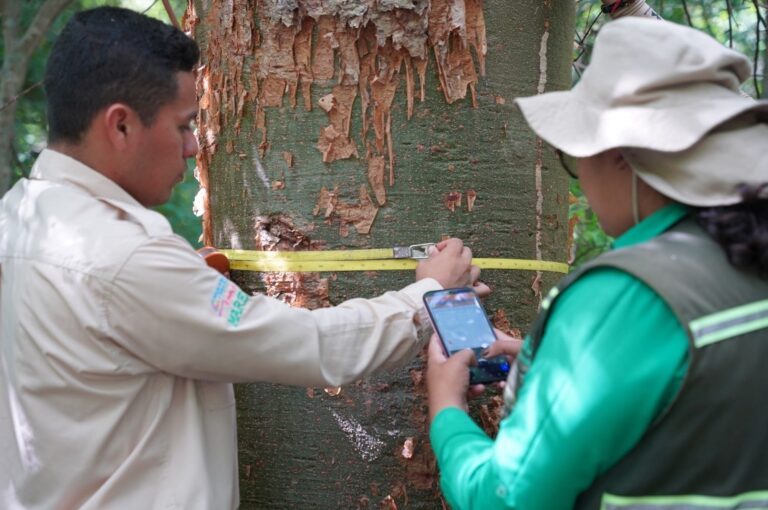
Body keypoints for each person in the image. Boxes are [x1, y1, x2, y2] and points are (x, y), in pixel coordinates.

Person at [0, 7, 485, 509]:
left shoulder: (18, 217)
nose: (193, 148)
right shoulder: (126, 259)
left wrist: (180, 283)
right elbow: (305, 344)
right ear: (120, 126)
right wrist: (428, 298)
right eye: (184, 125)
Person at [426, 17, 768, 510]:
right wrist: (554, 364)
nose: (579, 177)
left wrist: (446, 409)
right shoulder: (742, 258)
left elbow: (504, 499)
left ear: (623, 159)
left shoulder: (628, 294)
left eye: (576, 153)